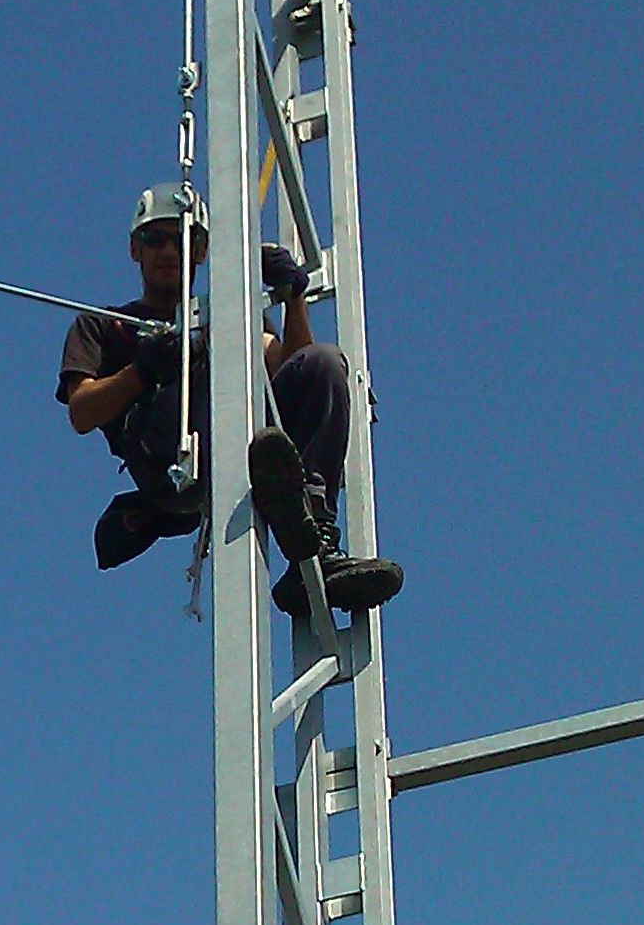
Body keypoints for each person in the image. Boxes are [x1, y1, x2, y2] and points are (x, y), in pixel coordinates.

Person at [56, 198, 401, 619]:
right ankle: (279, 486)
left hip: (235, 431)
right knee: (212, 348)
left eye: (183, 239)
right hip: (168, 459)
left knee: (324, 363)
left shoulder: (230, 320)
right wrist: (141, 371)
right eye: (155, 239)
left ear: (201, 251)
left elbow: (295, 370)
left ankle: (310, 543)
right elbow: (82, 412)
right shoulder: (103, 325)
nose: (168, 251)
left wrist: (293, 298)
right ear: (135, 249)